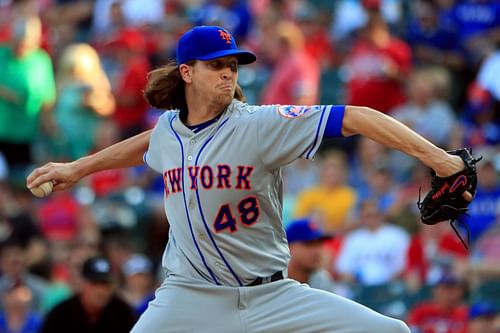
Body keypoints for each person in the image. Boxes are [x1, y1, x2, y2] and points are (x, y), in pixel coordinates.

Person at [27, 25, 471, 333]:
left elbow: (356, 116)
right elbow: (145, 143)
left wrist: (439, 159)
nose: (228, 73)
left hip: (271, 296)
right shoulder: (168, 131)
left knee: (391, 330)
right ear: (187, 72)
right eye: (216, 64)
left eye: (233, 66)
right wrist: (76, 168)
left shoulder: (259, 123)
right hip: (190, 295)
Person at [40, 256, 136, 333]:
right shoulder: (60, 315)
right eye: (95, 283)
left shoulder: (123, 313)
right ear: (82, 283)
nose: (101, 291)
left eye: (105, 284)